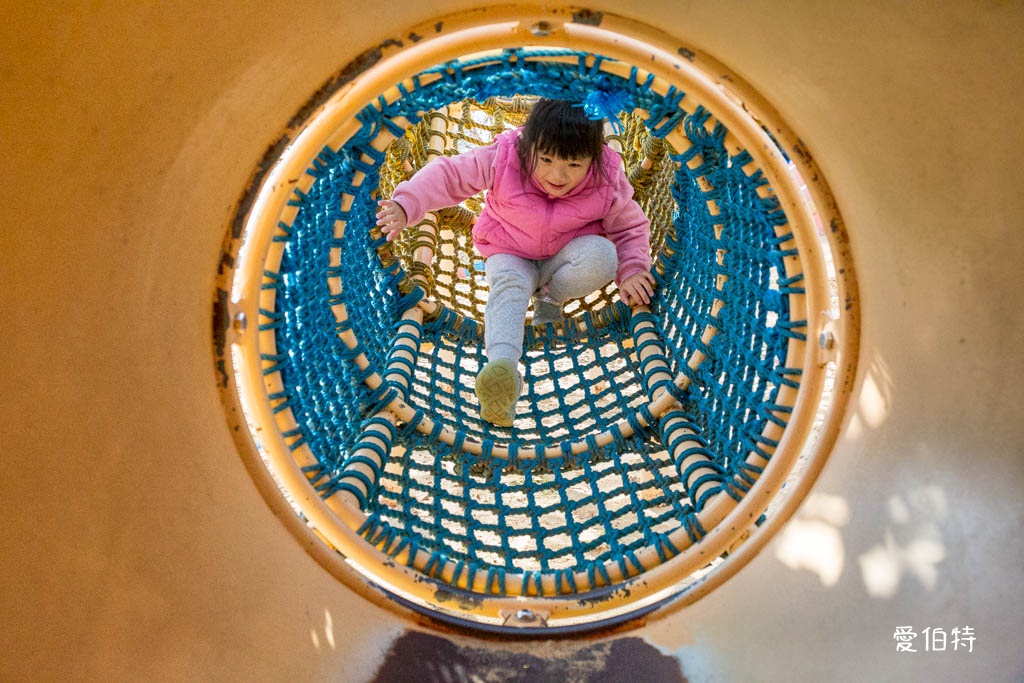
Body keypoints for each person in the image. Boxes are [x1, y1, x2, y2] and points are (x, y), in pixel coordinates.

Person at [376, 98, 655, 426]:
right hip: (509, 250)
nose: (557, 174)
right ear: (528, 145)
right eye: (546, 159)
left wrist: (634, 269)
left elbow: (628, 225)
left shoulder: (606, 174)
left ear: (592, 158)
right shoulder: (506, 155)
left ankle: (550, 297)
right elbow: (450, 175)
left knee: (604, 256)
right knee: (509, 287)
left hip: (564, 258)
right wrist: (408, 205)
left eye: (573, 165)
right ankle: (502, 371)